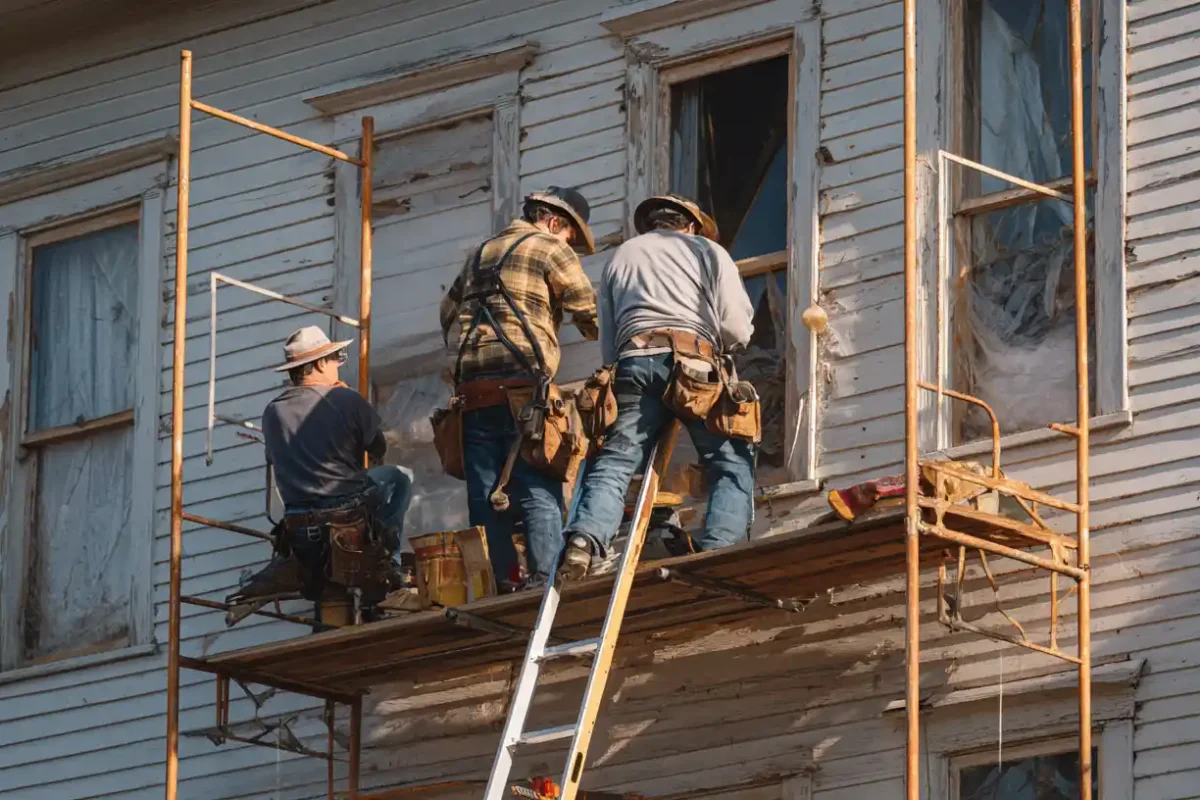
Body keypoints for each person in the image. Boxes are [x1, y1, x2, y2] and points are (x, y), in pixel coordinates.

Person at [559, 194, 756, 579]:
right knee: (730, 460)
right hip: (693, 365)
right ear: (690, 225)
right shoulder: (706, 250)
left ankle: (584, 540)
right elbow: (735, 326)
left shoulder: (621, 256)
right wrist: (732, 344)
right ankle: (721, 550)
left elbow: (610, 336)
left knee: (616, 461)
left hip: (633, 361)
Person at [440, 187, 599, 589]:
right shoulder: (549, 247)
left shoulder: (480, 253)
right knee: (537, 486)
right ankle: (546, 581)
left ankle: (504, 584)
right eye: (570, 237)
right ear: (554, 222)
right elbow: (591, 312)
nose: (569, 245)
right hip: (523, 393)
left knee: (485, 498)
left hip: (473, 395)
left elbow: (447, 313)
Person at [262, 326, 413, 561]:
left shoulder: (272, 411)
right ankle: (388, 557)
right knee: (400, 477)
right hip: (345, 507)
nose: (338, 365)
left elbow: (275, 459)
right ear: (321, 363)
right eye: (336, 359)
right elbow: (378, 447)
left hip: (295, 516)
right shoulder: (345, 398)